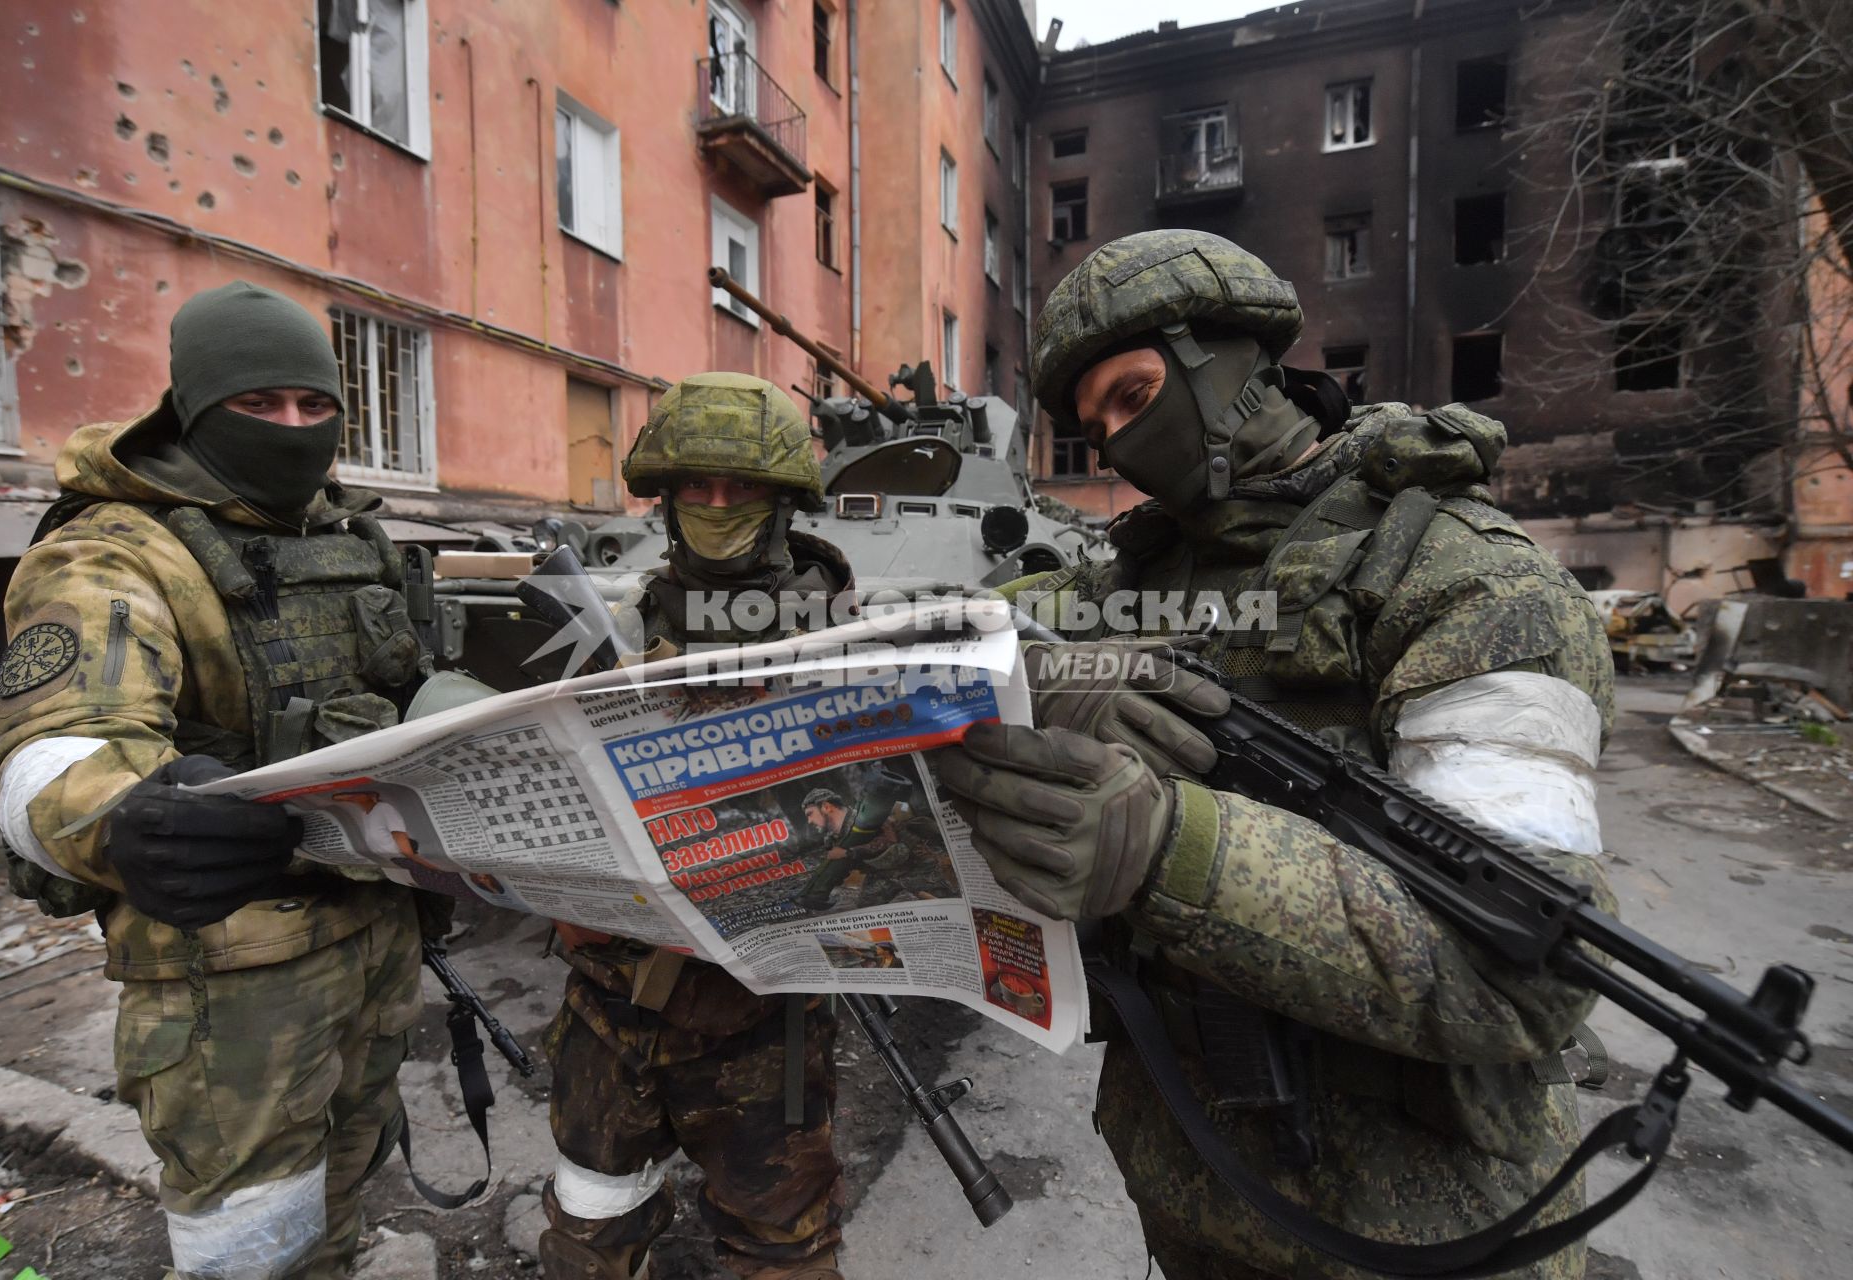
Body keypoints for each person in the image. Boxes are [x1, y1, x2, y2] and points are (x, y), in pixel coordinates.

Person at [935, 229, 1618, 1280]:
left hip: (1423, 1235)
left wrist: (1169, 848)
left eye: (1133, 394)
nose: (1118, 444)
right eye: (1094, 427)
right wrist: (1039, 665)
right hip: (1192, 1191)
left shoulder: (1469, 578)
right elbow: (953, 624)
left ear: (1231, 359)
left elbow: (1520, 968)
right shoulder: (1138, 573)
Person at [0, 281, 431, 1280]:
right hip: (234, 978)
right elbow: (55, 743)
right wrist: (125, 816)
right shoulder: (115, 547)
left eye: (316, 406)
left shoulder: (348, 536)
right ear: (191, 410)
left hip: (374, 937)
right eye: (259, 404)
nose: (294, 428)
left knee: (342, 1204)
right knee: (252, 1249)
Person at [541, 373, 853, 1280]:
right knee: (588, 1235)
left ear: (784, 502)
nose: (718, 508)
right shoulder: (613, 632)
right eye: (696, 489)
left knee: (781, 1256)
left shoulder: (849, 643)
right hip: (606, 1010)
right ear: (667, 501)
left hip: (762, 1030)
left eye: (744, 488)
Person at [796, 785, 956, 910]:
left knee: (950, 903)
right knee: (865, 907)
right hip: (882, 875)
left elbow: (889, 843)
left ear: (826, 807)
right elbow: (846, 866)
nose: (809, 821)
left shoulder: (867, 815)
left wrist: (848, 852)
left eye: (810, 813)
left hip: (915, 865)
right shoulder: (831, 839)